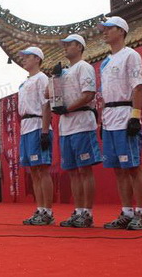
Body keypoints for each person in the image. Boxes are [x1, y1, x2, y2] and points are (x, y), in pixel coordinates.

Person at [98, 16, 142, 230]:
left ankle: (141, 214)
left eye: (109, 29)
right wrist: (102, 120)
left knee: (133, 167)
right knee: (118, 169)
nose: (105, 32)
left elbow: (138, 87)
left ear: (121, 31)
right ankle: (126, 212)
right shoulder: (106, 61)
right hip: (109, 118)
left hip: (126, 114)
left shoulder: (131, 55)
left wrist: (135, 115)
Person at [51, 34, 101, 228]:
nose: (66, 48)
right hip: (66, 127)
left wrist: (69, 108)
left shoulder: (84, 67)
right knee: (72, 171)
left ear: (79, 47)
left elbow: (88, 94)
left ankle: (87, 213)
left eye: (70, 44)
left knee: (85, 169)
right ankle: (78, 210)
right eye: (64, 45)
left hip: (81, 123)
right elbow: (49, 95)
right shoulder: (63, 73)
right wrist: (55, 77)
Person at [17, 46, 54, 225]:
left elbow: (46, 105)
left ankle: (47, 211)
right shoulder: (24, 83)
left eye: (27, 57)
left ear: (37, 59)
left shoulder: (42, 79)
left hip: (39, 125)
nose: (23, 60)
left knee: (42, 169)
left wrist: (45, 131)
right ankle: (39, 209)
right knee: (33, 171)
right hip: (26, 127)